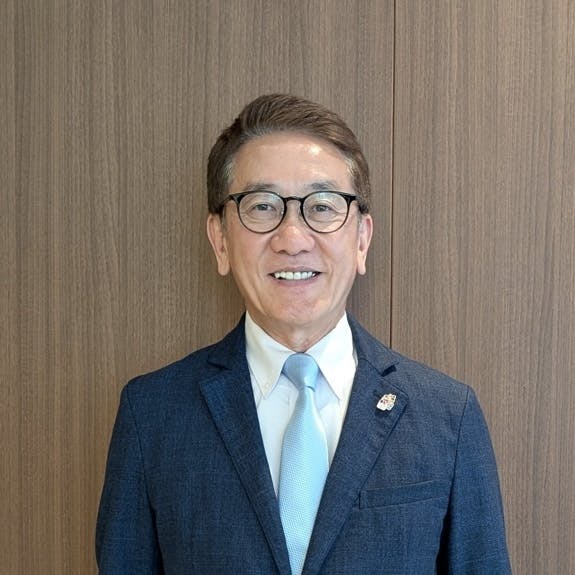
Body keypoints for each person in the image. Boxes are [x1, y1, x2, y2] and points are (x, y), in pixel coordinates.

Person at [96, 94, 511, 574]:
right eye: (262, 206)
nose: (292, 238)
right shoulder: (152, 415)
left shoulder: (447, 417)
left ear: (361, 239)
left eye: (322, 206)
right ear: (220, 240)